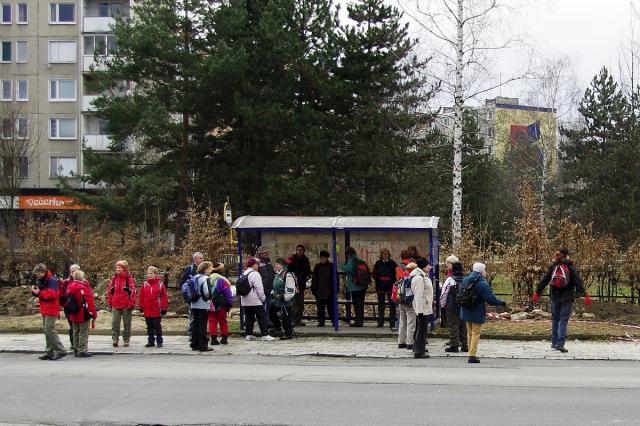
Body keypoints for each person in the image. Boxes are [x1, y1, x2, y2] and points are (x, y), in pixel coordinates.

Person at [533, 248, 590, 353]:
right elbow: (577, 281)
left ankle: (554, 343)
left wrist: (537, 292)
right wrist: (585, 294)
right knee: (563, 320)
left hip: (554, 297)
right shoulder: (570, 267)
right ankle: (560, 344)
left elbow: (545, 279)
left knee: (555, 320)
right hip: (567, 298)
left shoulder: (553, 266)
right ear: (567, 256)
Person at [459, 262, 507, 363]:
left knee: (470, 333)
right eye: (484, 270)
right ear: (481, 271)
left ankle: (470, 352)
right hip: (477, 310)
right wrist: (501, 303)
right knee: (476, 333)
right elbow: (490, 299)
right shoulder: (482, 283)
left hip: (466, 309)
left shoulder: (465, 279)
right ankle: (472, 355)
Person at [31, 263, 67, 360]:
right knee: (47, 330)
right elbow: (42, 293)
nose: (37, 276)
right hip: (45, 308)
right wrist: (35, 293)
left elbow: (53, 295)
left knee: (49, 330)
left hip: (51, 308)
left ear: (43, 272)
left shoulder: (51, 280)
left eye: (38, 274)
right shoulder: (42, 280)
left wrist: (39, 293)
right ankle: (49, 351)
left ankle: (61, 350)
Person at [241, 258, 276, 341]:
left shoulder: (244, 273)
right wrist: (263, 298)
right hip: (255, 300)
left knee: (249, 317)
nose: (258, 266)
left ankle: (248, 334)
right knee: (262, 316)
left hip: (245, 300)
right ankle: (264, 334)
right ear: (253, 265)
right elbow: (259, 288)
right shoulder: (255, 274)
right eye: (257, 264)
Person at [66, 269, 97, 357]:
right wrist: (94, 314)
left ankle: (76, 348)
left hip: (73, 313)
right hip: (83, 313)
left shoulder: (70, 287)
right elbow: (89, 302)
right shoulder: (83, 288)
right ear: (82, 278)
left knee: (75, 331)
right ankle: (82, 349)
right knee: (83, 331)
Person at [107, 260, 137, 348]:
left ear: (124, 269)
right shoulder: (114, 279)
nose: (117, 269)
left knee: (127, 323)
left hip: (126, 305)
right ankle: (115, 339)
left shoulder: (129, 280)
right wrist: (110, 301)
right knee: (115, 323)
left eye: (119, 267)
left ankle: (126, 339)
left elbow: (132, 292)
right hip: (116, 304)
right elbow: (110, 291)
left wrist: (131, 303)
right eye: (117, 267)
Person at [441, 260, 467, 353]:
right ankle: (465, 345)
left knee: (453, 325)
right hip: (464, 305)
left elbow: (444, 293)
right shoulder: (466, 279)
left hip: (452, 305)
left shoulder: (450, 279)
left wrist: (442, 305)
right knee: (463, 325)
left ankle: (454, 345)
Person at [139, 266, 169, 348]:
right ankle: (150, 341)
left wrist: (163, 308)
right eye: (148, 273)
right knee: (149, 327)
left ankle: (159, 341)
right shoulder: (144, 284)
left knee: (157, 326)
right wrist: (141, 306)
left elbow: (164, 297)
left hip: (157, 309)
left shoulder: (160, 285)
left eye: (151, 273)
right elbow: (141, 296)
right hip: (147, 309)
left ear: (156, 274)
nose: (149, 275)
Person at [411, 258, 433, 359]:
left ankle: (418, 347)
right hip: (422, 308)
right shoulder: (419, 278)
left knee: (421, 328)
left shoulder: (421, 276)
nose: (430, 267)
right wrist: (419, 311)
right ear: (423, 266)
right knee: (422, 329)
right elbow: (418, 295)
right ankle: (419, 351)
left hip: (424, 306)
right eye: (428, 265)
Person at [179, 252, 204, 340]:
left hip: (202, 297)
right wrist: (186, 293)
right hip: (192, 297)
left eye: (202, 258)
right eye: (200, 258)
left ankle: (200, 334)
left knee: (200, 317)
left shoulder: (204, 270)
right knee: (193, 315)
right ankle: (191, 333)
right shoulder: (190, 269)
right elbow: (182, 282)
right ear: (195, 260)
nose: (202, 260)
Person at [270, 258, 297, 340]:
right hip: (277, 299)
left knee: (286, 317)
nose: (276, 265)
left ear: (283, 266)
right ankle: (277, 328)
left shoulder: (287, 275)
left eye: (278, 264)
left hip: (285, 300)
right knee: (271, 312)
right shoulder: (278, 274)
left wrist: (285, 297)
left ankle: (288, 333)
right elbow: (275, 287)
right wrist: (272, 293)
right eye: (276, 264)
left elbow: (291, 289)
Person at [208, 262, 233, 346]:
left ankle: (213, 339)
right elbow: (228, 293)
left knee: (212, 321)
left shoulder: (207, 278)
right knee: (223, 320)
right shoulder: (223, 280)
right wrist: (229, 304)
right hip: (221, 303)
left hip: (210, 303)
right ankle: (224, 339)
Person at [191, 261, 214, 352]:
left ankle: (194, 344)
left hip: (194, 304)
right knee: (202, 325)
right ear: (205, 269)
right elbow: (206, 292)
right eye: (210, 268)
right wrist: (209, 299)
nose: (211, 270)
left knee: (195, 324)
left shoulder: (195, 277)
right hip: (203, 304)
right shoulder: (205, 278)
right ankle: (203, 345)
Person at [342, 246, 367, 327]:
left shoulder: (351, 260)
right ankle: (361, 321)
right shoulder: (360, 260)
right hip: (362, 285)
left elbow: (348, 269)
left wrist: (342, 266)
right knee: (361, 304)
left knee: (356, 305)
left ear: (348, 254)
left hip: (355, 286)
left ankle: (358, 322)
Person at [373, 248, 398, 329]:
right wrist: (378, 282)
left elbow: (396, 274)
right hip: (380, 286)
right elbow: (375, 274)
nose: (386, 255)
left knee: (392, 305)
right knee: (381, 305)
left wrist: (393, 282)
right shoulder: (378, 263)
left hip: (390, 287)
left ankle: (392, 323)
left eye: (387, 253)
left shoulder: (392, 263)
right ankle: (380, 323)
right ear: (381, 255)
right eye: (384, 253)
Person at [60, 263, 82, 350]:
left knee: (79, 326)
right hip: (69, 307)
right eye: (71, 271)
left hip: (80, 306)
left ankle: (80, 343)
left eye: (74, 271)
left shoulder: (82, 281)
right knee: (72, 325)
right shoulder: (66, 282)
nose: (72, 273)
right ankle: (73, 343)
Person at [311, 250, 335, 327]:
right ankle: (321, 321)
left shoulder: (331, 266)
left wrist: (335, 289)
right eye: (321, 258)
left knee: (331, 308)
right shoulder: (317, 266)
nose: (322, 259)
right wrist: (313, 289)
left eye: (324, 258)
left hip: (329, 291)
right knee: (320, 308)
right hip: (319, 291)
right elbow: (314, 278)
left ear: (327, 258)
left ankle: (334, 321)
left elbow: (335, 279)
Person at [289, 244, 311, 326]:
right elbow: (288, 268)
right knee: (294, 303)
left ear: (303, 251)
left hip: (301, 284)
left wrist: (307, 278)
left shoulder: (305, 259)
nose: (299, 251)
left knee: (300, 303)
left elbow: (308, 270)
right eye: (298, 250)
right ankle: (293, 320)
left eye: (301, 250)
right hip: (293, 284)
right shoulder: (292, 258)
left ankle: (299, 320)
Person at [397, 262, 417, 349]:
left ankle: (401, 342)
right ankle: (409, 342)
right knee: (411, 323)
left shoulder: (403, 275)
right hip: (409, 303)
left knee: (402, 322)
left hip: (401, 301)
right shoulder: (412, 277)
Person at [257, 246, 276, 328]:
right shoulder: (258, 263)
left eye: (267, 252)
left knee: (268, 305)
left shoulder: (268, 261)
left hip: (269, 288)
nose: (267, 253)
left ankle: (268, 321)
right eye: (265, 252)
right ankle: (263, 322)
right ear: (260, 254)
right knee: (262, 306)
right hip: (262, 288)